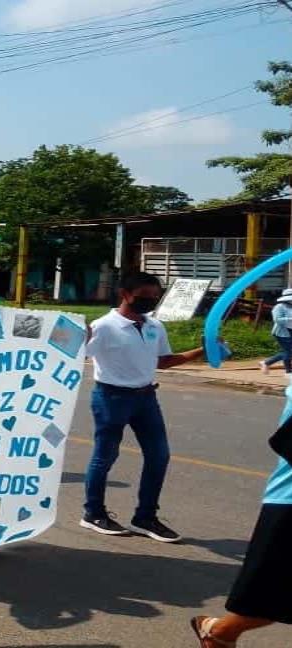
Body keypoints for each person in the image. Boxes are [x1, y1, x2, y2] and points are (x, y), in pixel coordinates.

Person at [80, 271, 204, 543]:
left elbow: (163, 361)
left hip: (146, 398)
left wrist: (200, 351)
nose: (149, 301)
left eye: (154, 297)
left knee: (159, 456)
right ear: (125, 294)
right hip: (111, 398)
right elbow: (78, 353)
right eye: (143, 296)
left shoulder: (154, 326)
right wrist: (78, 335)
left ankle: (145, 516)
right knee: (105, 457)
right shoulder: (103, 326)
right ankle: (93, 513)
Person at [191, 380, 292, 646]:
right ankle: (219, 632)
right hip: (288, 506)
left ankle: (219, 632)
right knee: (270, 599)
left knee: (273, 600)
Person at [260, 289, 292, 375]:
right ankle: (289, 372)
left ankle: (267, 362)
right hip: (282, 332)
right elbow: (277, 319)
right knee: (288, 352)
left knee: (287, 351)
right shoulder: (279, 307)